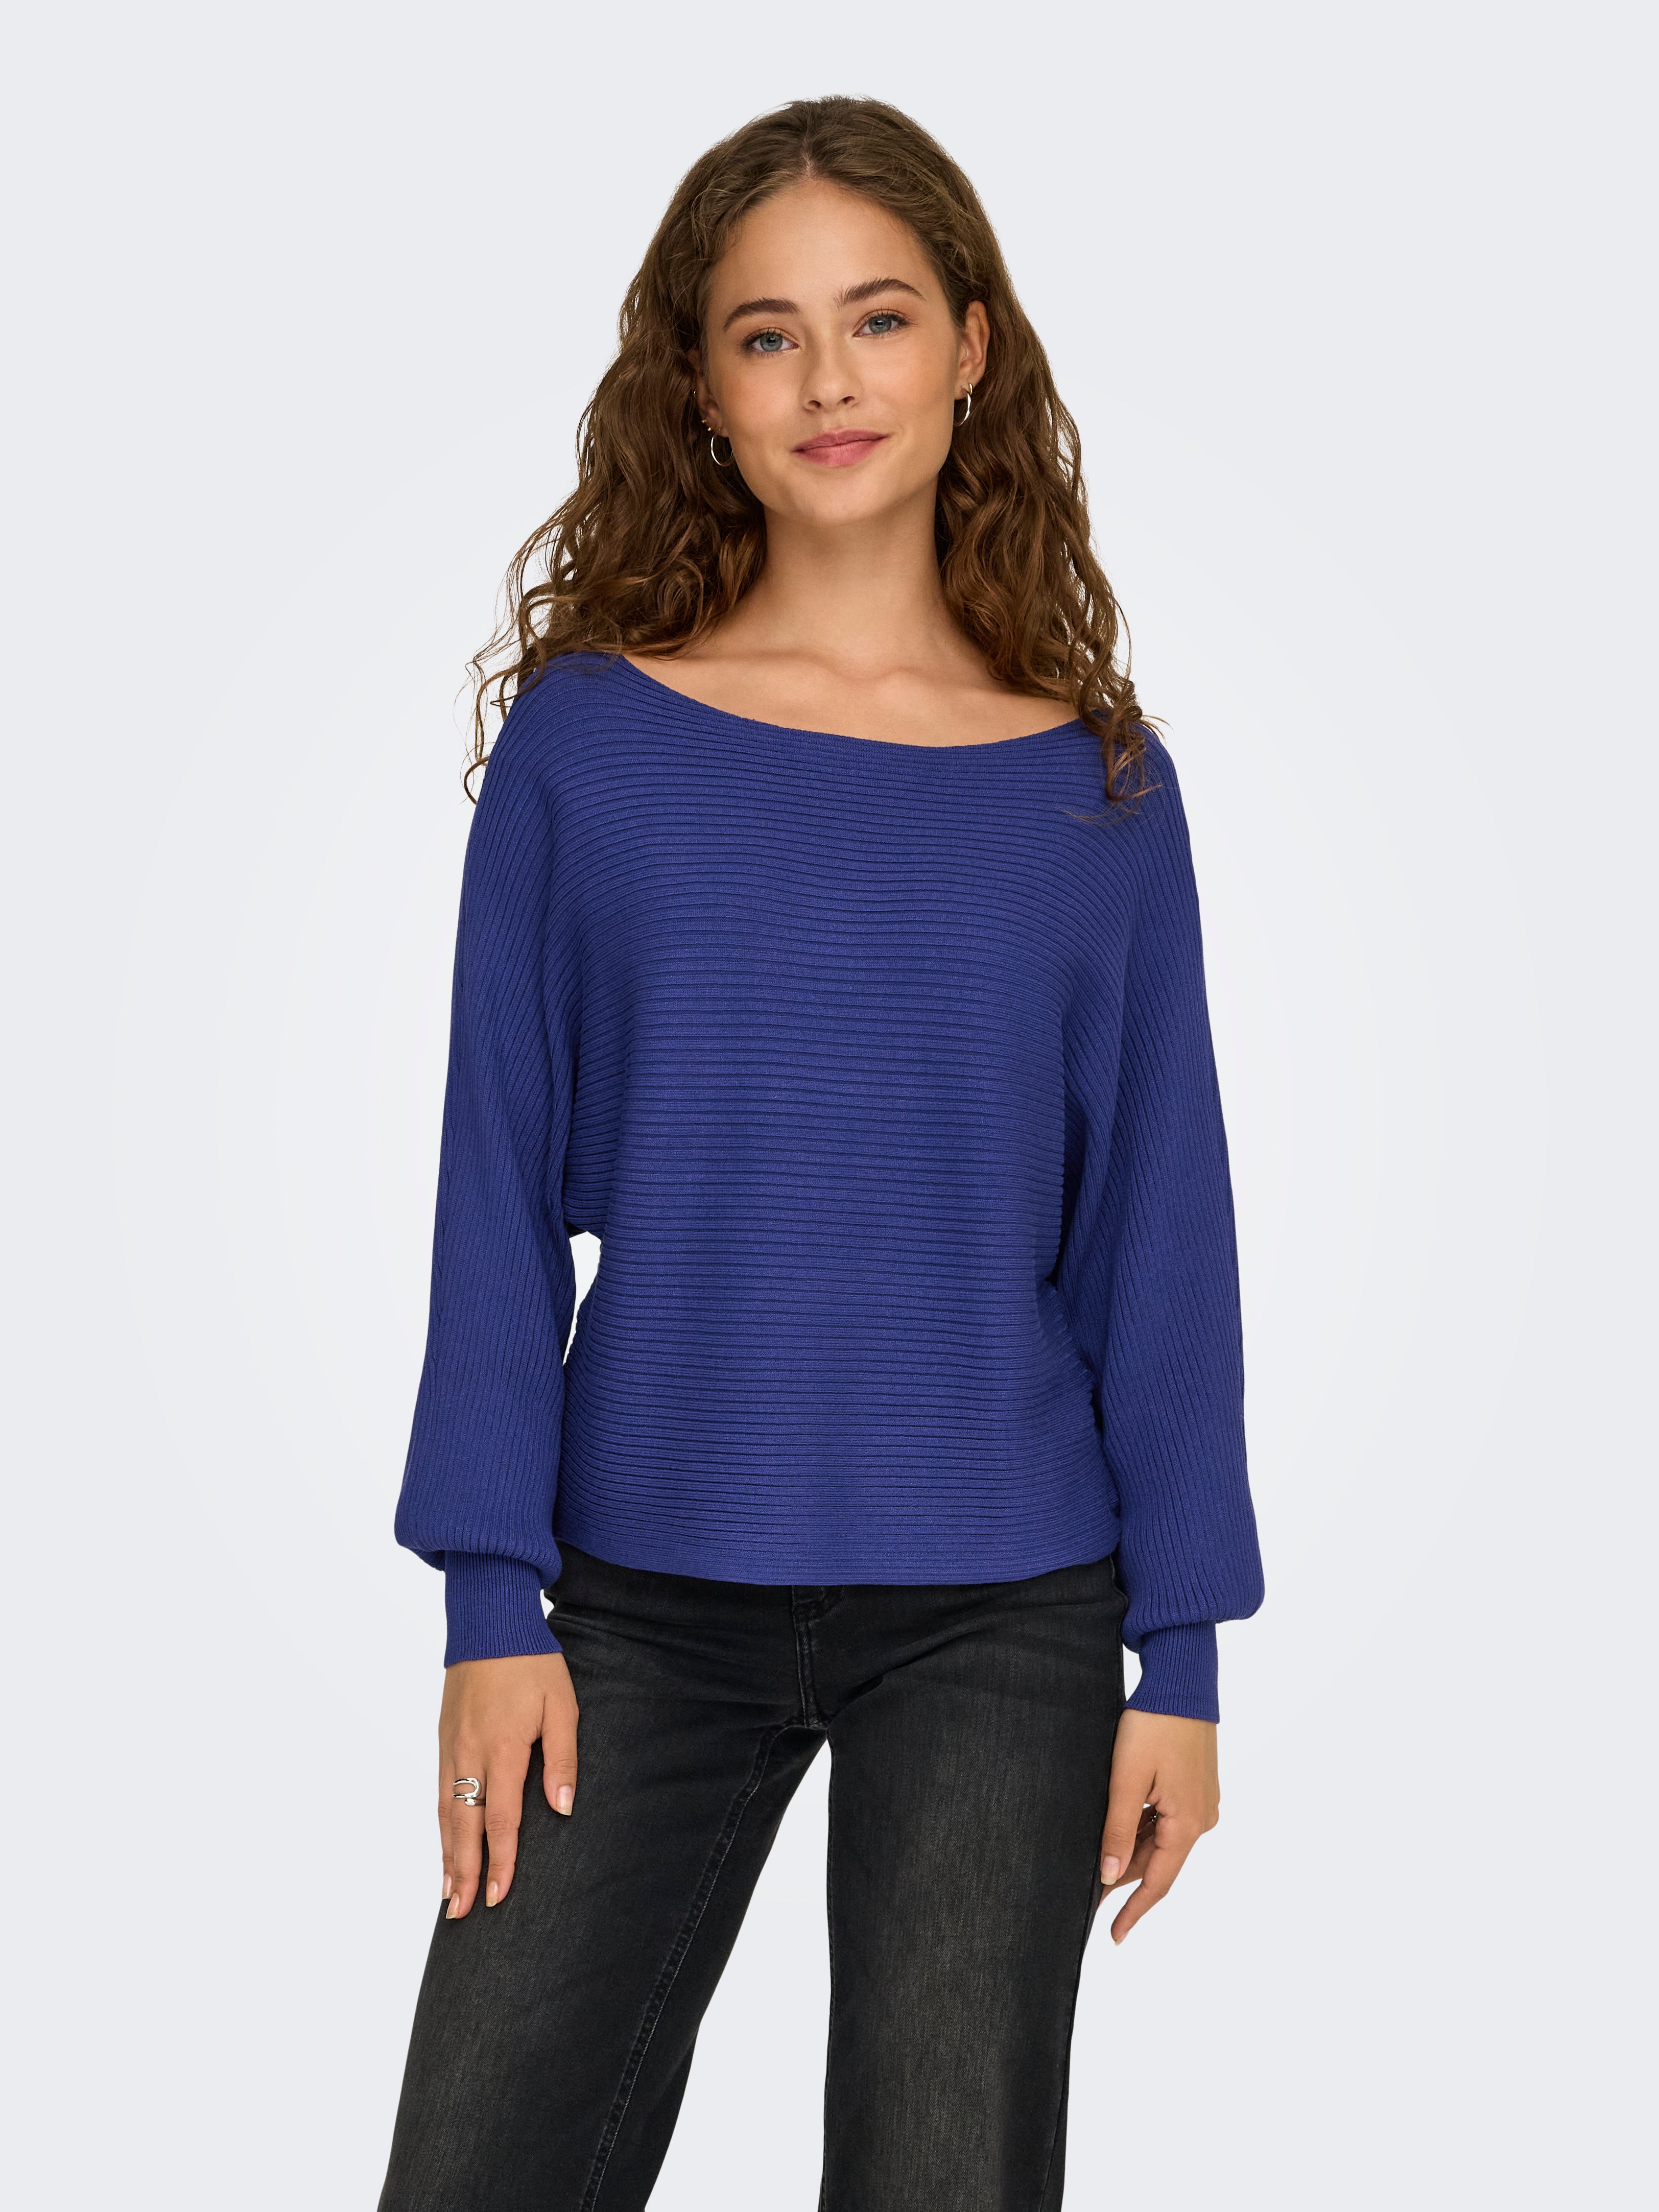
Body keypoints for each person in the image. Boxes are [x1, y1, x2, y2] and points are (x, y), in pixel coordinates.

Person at [378, 94, 1265, 2212]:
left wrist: (1184, 1654)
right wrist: (489, 1597)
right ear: (701, 386)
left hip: (1006, 1607)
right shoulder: (592, 744)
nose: (828, 378)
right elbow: (492, 1175)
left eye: (876, 319)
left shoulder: (1099, 792)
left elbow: (1161, 1233)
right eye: (766, 335)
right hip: (634, 1597)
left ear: (971, 348)